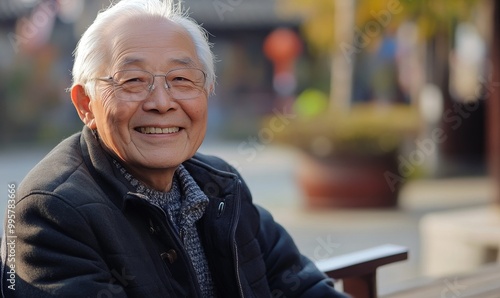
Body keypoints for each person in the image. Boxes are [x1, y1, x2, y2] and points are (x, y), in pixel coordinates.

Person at [0, 0, 347, 297]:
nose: (162, 102)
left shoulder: (222, 185)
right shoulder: (50, 211)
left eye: (181, 79)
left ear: (207, 91)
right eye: (133, 80)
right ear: (86, 104)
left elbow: (303, 286)